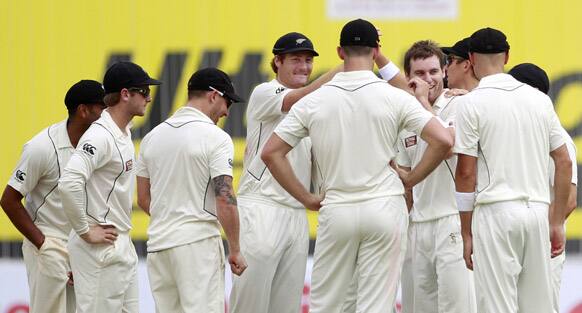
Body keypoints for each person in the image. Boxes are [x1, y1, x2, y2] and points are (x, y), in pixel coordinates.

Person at [261, 19, 452, 313]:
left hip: (337, 208)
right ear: (376, 51)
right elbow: (442, 139)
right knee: (376, 305)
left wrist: (307, 198)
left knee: (328, 305)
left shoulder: (315, 100)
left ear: (340, 52)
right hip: (385, 208)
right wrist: (411, 178)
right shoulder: (393, 96)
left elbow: (271, 153)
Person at [454, 28, 572, 313]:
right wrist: (555, 222)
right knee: (539, 306)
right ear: (507, 56)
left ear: (470, 58)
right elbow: (564, 160)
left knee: (497, 306)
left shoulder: (470, 103)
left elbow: (466, 173)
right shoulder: (539, 100)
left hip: (496, 212)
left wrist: (466, 232)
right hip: (536, 213)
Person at [229, 32, 340, 313]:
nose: (303, 66)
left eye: (308, 60)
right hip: (262, 208)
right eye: (295, 60)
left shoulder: (313, 107)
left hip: (296, 213)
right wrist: (350, 62)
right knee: (251, 304)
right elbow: (296, 99)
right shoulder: (265, 92)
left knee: (286, 306)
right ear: (277, 61)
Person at [136, 67, 247, 313]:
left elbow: (143, 198)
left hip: (159, 245)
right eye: (227, 101)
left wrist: (172, 218)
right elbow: (225, 198)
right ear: (213, 95)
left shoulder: (152, 137)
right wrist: (236, 249)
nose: (227, 111)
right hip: (197, 244)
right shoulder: (215, 137)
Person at [58, 62, 161, 313]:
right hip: (100, 247)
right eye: (144, 91)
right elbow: (69, 182)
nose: (149, 98)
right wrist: (84, 232)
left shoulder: (122, 130)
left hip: (119, 243)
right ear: (125, 94)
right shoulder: (100, 135)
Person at [0, 80, 106, 313]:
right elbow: (8, 200)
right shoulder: (42, 147)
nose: (107, 113)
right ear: (83, 110)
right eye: (102, 107)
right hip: (49, 244)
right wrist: (44, 244)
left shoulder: (100, 144)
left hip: (83, 246)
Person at [394, 40, 475, 313]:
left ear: (444, 72)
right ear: (409, 77)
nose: (428, 80)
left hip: (452, 220)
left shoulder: (460, 104)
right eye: (419, 74)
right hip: (418, 225)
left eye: (433, 72)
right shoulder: (403, 116)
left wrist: (421, 105)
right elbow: (404, 178)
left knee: (456, 306)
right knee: (420, 307)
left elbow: (449, 146)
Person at [508, 62, 578, 313]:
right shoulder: (519, 135)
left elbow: (568, 199)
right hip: (521, 243)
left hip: (544, 245)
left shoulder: (557, 139)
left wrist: (541, 234)